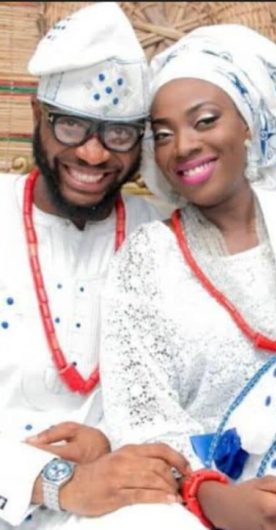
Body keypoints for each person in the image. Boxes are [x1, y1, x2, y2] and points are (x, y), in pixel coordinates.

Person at [95, 24, 276, 530]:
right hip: (195, 506)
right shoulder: (148, 257)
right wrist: (214, 498)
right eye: (163, 135)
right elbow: (141, 417)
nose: (182, 146)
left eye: (205, 121)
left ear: (248, 123)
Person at [0, 3, 196, 529]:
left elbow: (192, 391)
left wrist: (110, 439)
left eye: (118, 134)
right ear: (37, 115)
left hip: (119, 503)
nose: (92, 154)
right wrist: (56, 482)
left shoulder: (164, 239)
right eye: (70, 126)